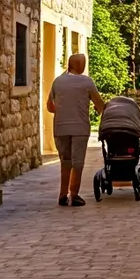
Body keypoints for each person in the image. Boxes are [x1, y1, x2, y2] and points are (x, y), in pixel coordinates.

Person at [46, 53, 105, 206]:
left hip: (60, 127)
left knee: (65, 162)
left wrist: (63, 110)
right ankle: (74, 194)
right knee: (77, 162)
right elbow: (99, 105)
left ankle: (62, 194)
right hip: (80, 127)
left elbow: (50, 106)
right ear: (80, 65)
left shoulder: (57, 82)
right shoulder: (87, 82)